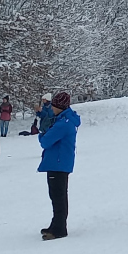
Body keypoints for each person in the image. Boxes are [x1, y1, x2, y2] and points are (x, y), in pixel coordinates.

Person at [38, 91, 80, 240]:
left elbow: (45, 141)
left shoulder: (63, 124)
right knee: (58, 196)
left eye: (54, 105)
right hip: (61, 162)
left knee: (58, 197)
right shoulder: (67, 120)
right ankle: (56, 224)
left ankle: (59, 228)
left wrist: (42, 133)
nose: (52, 108)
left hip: (57, 162)